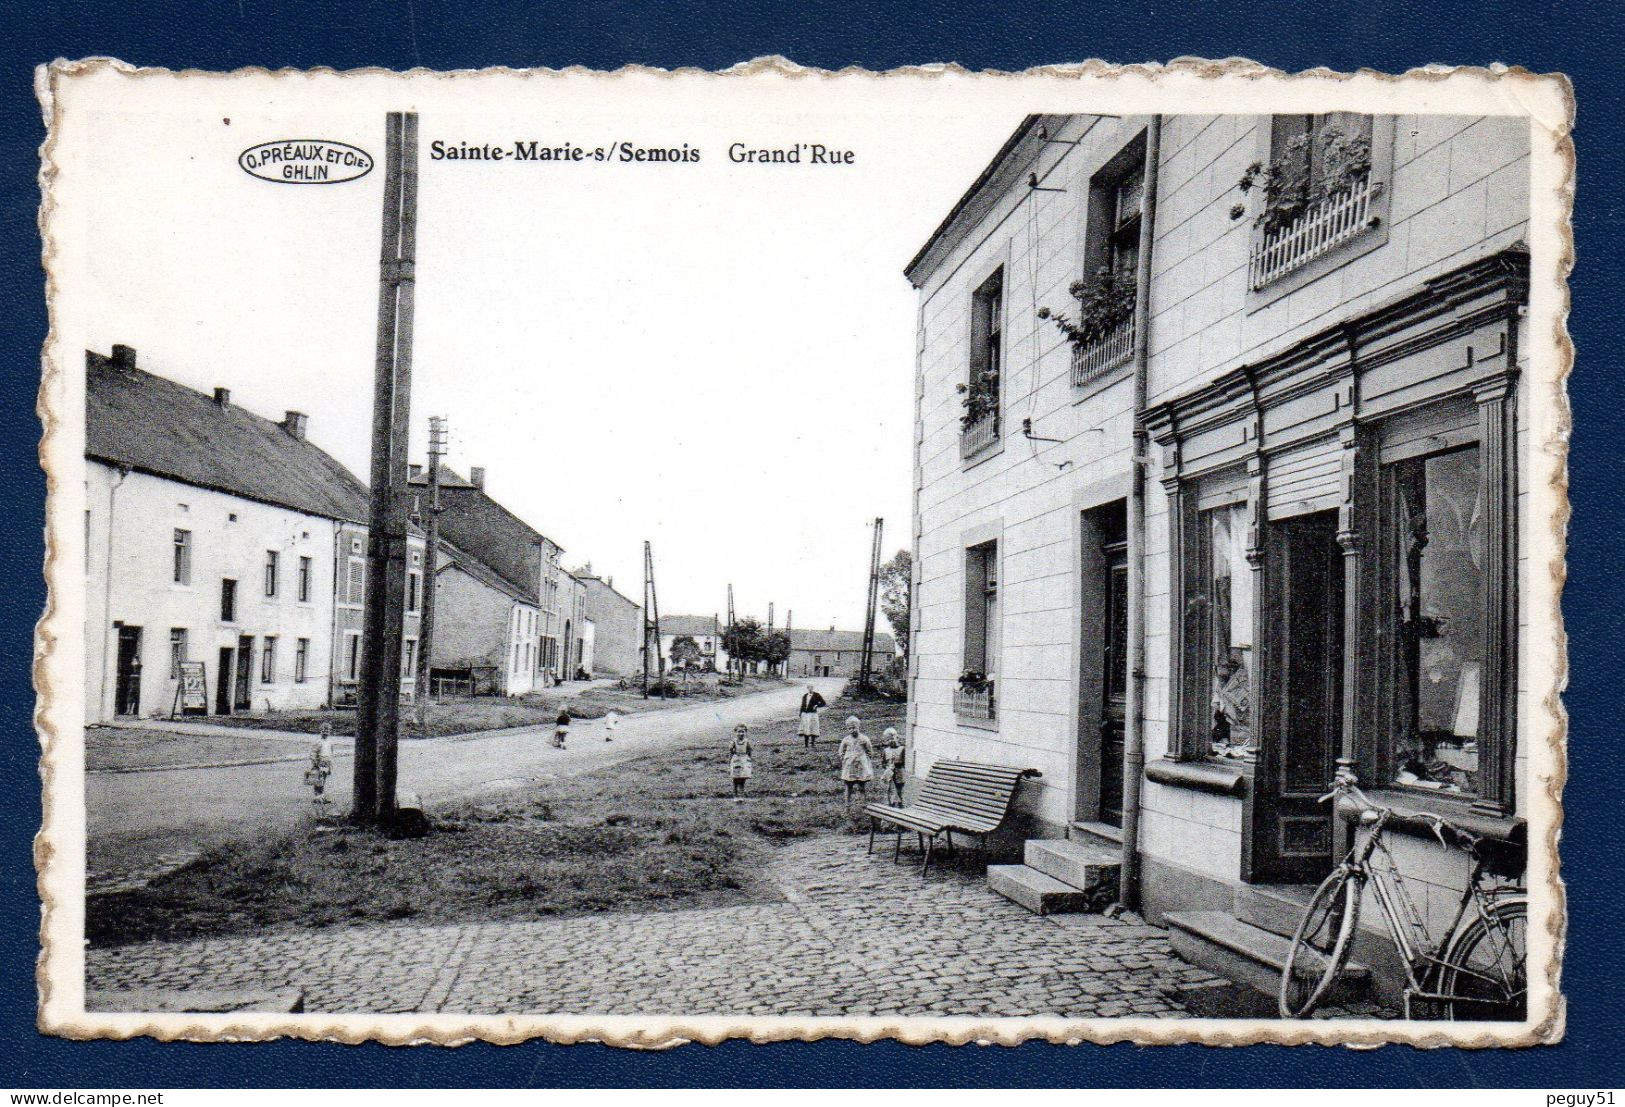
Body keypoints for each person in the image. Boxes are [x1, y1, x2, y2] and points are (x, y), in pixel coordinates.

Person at [838, 715, 875, 806]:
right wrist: (844, 758)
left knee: (861, 786)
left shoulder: (864, 738)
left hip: (860, 765)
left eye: (854, 728)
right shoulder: (846, 739)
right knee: (848, 785)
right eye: (850, 728)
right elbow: (841, 751)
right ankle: (847, 805)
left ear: (858, 727)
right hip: (849, 765)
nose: (852, 730)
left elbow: (870, 751)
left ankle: (863, 805)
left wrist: (866, 759)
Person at [305, 723, 335, 811]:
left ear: (330, 732)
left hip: (327, 762)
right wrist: (315, 763)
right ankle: (317, 796)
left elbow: (331, 753)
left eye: (327, 731)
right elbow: (313, 753)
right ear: (320, 731)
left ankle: (321, 796)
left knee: (323, 779)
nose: (325, 733)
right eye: (323, 731)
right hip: (319, 762)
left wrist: (330, 765)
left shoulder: (330, 742)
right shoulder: (317, 742)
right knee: (318, 780)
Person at [879, 727, 905, 806]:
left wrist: (899, 764)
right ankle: (890, 803)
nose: (890, 741)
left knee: (899, 788)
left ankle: (901, 803)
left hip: (899, 771)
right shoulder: (886, 750)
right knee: (889, 788)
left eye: (892, 738)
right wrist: (887, 768)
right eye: (888, 740)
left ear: (896, 737)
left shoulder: (902, 749)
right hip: (889, 771)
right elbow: (883, 762)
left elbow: (905, 762)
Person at [728, 724, 754, 801]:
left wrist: (749, 760)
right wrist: (730, 762)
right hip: (736, 760)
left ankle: (741, 795)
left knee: (743, 778)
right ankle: (735, 795)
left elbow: (749, 751)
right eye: (739, 732)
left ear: (745, 732)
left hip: (744, 760)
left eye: (743, 732)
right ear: (735, 732)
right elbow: (731, 752)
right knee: (735, 778)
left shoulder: (747, 741)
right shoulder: (734, 742)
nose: (741, 734)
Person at [797, 684, 827, 749]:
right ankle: (806, 744)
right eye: (809, 687)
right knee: (806, 728)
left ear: (813, 688)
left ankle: (813, 743)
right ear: (807, 688)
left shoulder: (817, 695)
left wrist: (817, 705)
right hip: (805, 714)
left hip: (813, 714)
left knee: (813, 728)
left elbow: (823, 703)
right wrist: (800, 713)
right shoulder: (805, 696)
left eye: (811, 687)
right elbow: (802, 705)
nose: (810, 689)